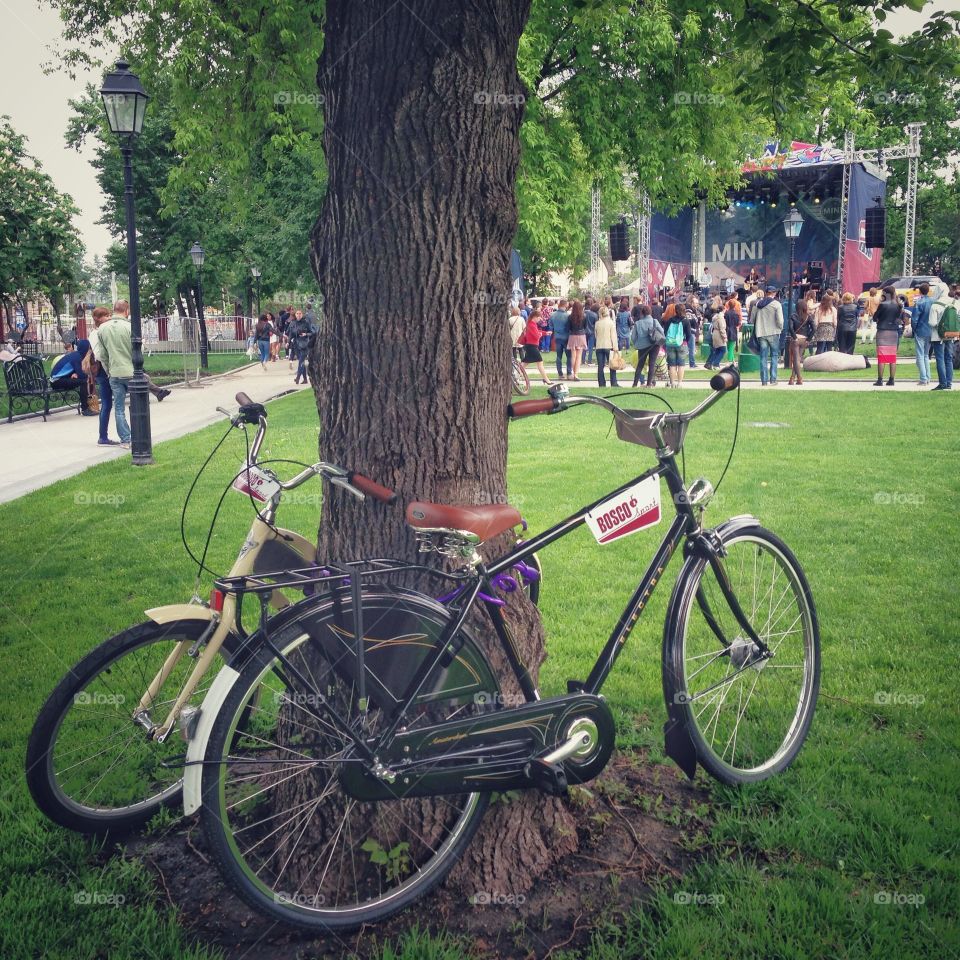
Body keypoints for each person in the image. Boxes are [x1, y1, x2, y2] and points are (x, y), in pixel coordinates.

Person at [95, 300, 136, 447]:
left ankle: (126, 439)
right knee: (137, 405)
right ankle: (138, 436)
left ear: (114, 310)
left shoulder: (102, 329)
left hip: (114, 373)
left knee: (119, 408)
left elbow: (102, 355)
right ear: (127, 311)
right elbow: (137, 351)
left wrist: (109, 371)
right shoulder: (130, 327)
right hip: (131, 373)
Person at [85, 306, 120, 445]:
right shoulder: (95, 333)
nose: (109, 317)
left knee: (110, 403)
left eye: (110, 314)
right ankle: (103, 436)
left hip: (109, 371)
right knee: (107, 404)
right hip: (104, 372)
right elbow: (100, 355)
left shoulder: (106, 330)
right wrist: (110, 371)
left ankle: (105, 436)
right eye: (106, 315)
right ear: (98, 319)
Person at [50, 341, 95, 415]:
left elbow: (78, 372)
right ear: (86, 349)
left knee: (84, 380)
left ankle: (88, 407)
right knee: (84, 381)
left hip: (60, 379)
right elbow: (82, 375)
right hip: (56, 381)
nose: (91, 350)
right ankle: (85, 409)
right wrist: (79, 374)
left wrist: (76, 373)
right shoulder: (77, 357)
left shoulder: (77, 355)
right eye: (90, 348)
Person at [753, 285, 784, 386]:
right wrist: (780, 328)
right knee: (774, 356)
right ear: (774, 293)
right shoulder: (776, 304)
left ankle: (764, 381)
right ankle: (773, 379)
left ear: (766, 293)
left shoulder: (757, 304)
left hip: (761, 333)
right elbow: (780, 320)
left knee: (763, 357)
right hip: (773, 332)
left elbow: (752, 319)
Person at [872, 285, 903, 386]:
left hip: (882, 331)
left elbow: (875, 317)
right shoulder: (898, 305)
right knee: (892, 357)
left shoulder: (883, 304)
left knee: (881, 357)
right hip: (894, 332)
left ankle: (880, 380)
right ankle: (891, 379)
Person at [929, 285, 956, 391]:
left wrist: (940, 328)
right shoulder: (955, 302)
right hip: (951, 335)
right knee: (949, 359)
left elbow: (932, 322)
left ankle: (942, 383)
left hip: (938, 336)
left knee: (940, 359)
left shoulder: (935, 305)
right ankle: (949, 383)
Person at [629, 304, 662, 387]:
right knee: (652, 364)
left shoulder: (638, 323)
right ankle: (649, 384)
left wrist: (637, 343)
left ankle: (635, 383)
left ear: (642, 313)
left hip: (642, 346)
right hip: (654, 345)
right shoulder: (655, 321)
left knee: (640, 364)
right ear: (650, 312)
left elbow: (633, 337)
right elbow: (661, 332)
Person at [520, 307, 553, 385]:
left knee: (525, 363)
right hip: (531, 346)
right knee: (539, 362)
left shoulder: (531, 324)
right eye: (539, 317)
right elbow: (536, 335)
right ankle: (546, 379)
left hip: (531, 346)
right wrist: (542, 334)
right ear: (534, 317)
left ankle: (517, 375)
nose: (540, 319)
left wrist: (545, 333)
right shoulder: (531, 324)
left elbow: (537, 332)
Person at [911, 282, 933, 386]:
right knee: (926, 355)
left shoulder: (919, 302)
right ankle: (927, 377)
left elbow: (914, 319)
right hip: (930, 330)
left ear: (920, 291)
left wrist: (914, 329)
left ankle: (923, 379)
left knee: (920, 355)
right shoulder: (933, 301)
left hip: (920, 330)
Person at [787, 298, 813, 386]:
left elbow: (790, 328)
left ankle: (798, 378)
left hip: (796, 339)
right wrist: (809, 339)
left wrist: (794, 337)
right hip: (804, 339)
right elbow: (814, 328)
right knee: (798, 359)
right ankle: (793, 378)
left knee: (796, 359)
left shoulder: (793, 316)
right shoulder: (808, 316)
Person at [664, 303, 691, 388]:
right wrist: (686, 341)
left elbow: (665, 332)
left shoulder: (670, 320)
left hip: (670, 344)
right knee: (681, 364)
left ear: (675, 310)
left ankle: (672, 383)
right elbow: (689, 335)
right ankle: (679, 383)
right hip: (682, 344)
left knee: (672, 364)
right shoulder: (685, 321)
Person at [287, 309, 316, 384]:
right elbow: (290, 334)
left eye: (300, 313)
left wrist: (306, 334)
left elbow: (312, 332)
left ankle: (297, 378)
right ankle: (305, 379)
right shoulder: (293, 323)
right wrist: (288, 342)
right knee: (301, 362)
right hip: (296, 344)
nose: (298, 315)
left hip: (304, 344)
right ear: (295, 315)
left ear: (302, 314)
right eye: (297, 313)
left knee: (301, 362)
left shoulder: (306, 323)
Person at [594, 306, 619, 388]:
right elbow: (613, 336)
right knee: (612, 365)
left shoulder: (597, 323)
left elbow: (595, 335)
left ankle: (601, 383)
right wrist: (615, 347)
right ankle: (613, 382)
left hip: (599, 346)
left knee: (600, 366)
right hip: (609, 346)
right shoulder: (611, 323)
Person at [549, 299, 571, 380]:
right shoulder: (568, 315)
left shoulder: (553, 315)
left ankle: (560, 373)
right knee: (569, 356)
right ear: (565, 306)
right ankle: (569, 373)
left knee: (559, 356)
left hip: (557, 337)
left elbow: (550, 326)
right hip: (566, 337)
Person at [566, 300, 588, 381]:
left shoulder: (570, 317)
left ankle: (572, 372)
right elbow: (585, 327)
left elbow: (568, 328)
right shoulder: (584, 316)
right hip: (581, 335)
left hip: (572, 336)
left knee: (573, 356)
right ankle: (576, 374)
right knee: (579, 356)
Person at [724, 298, 741, 363]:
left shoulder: (726, 313)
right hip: (733, 330)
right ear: (735, 305)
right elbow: (737, 323)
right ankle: (730, 360)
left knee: (729, 346)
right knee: (731, 347)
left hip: (727, 330)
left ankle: (732, 360)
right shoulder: (736, 314)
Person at [584, 297, 598, 366]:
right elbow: (596, 324)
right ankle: (589, 360)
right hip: (592, 332)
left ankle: (583, 360)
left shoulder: (584, 313)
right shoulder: (595, 315)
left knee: (584, 346)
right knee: (591, 347)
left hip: (585, 331)